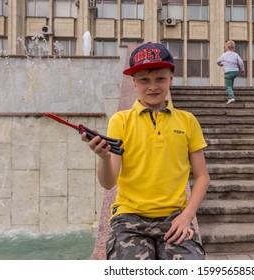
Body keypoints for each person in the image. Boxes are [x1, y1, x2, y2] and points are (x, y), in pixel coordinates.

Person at [81, 42, 210, 260]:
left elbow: (202, 176)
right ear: (133, 82)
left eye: (160, 78)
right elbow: (108, 182)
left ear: (171, 78)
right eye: (144, 80)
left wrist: (187, 216)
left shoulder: (188, 121)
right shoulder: (120, 120)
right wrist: (103, 158)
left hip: (174, 217)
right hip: (129, 219)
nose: (153, 86)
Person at [216, 40, 245, 104]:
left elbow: (217, 61)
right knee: (231, 84)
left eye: (224, 47)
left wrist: (220, 64)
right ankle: (230, 95)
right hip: (235, 72)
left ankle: (231, 97)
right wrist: (242, 69)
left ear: (226, 47)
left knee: (228, 86)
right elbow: (241, 62)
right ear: (233, 48)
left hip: (228, 72)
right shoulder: (236, 54)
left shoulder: (224, 55)